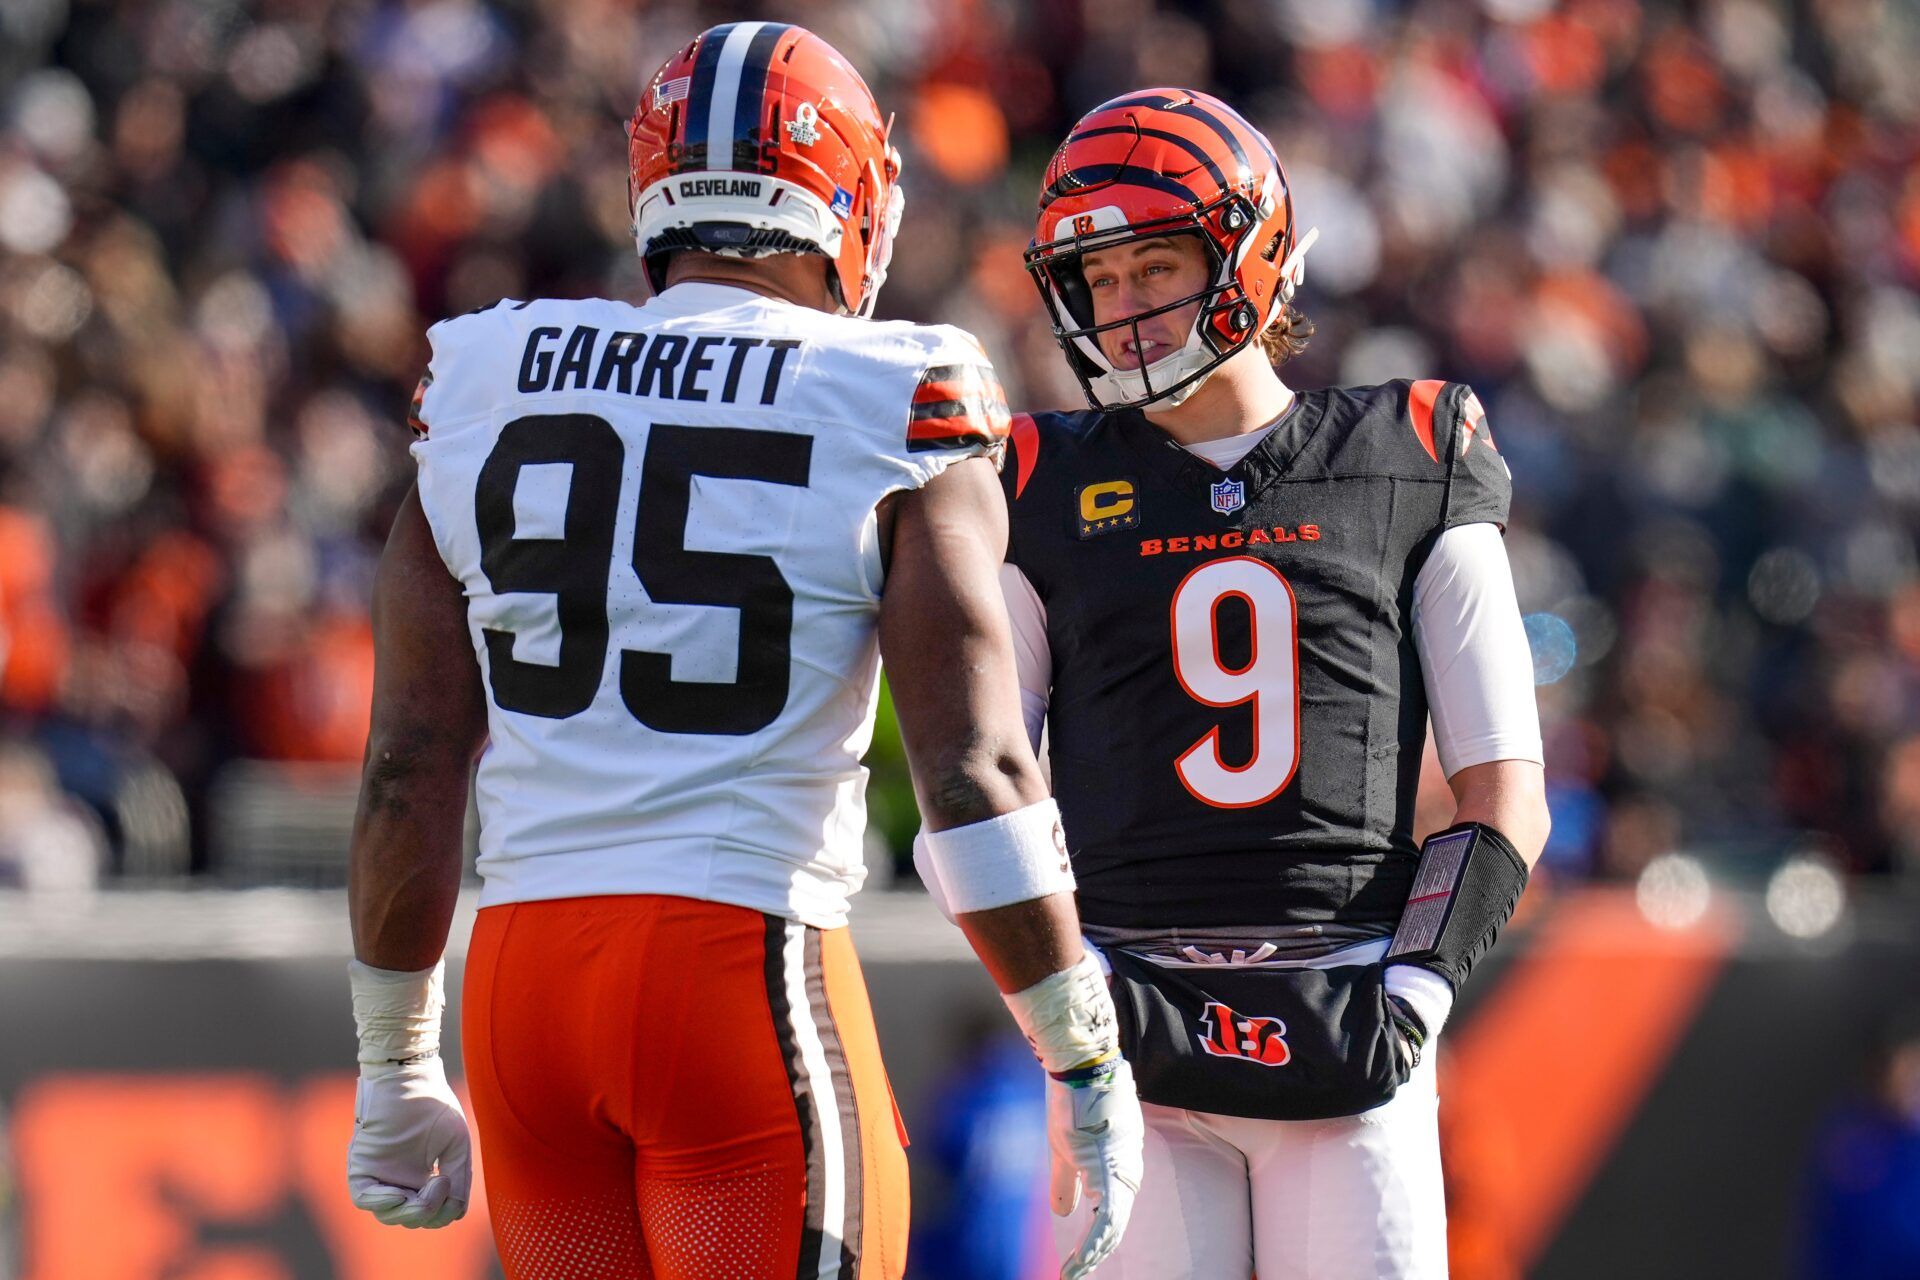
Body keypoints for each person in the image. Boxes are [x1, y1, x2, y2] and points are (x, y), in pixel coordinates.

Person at [340, 25, 1141, 1280]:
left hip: (523, 991)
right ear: (850, 198)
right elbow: (974, 770)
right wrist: (1077, 1042)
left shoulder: (488, 372)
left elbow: (406, 763)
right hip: (738, 970)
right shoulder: (898, 388)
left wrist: (394, 1058)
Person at [978, 87, 1551, 1278]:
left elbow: (1505, 785)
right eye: (1105, 281)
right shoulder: (1032, 476)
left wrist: (1416, 994)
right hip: (1130, 1013)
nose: (1125, 310)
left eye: (1155, 266)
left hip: (1347, 1002)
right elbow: (992, 776)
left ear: (1251, 252)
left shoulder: (1410, 449)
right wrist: (1064, 1012)